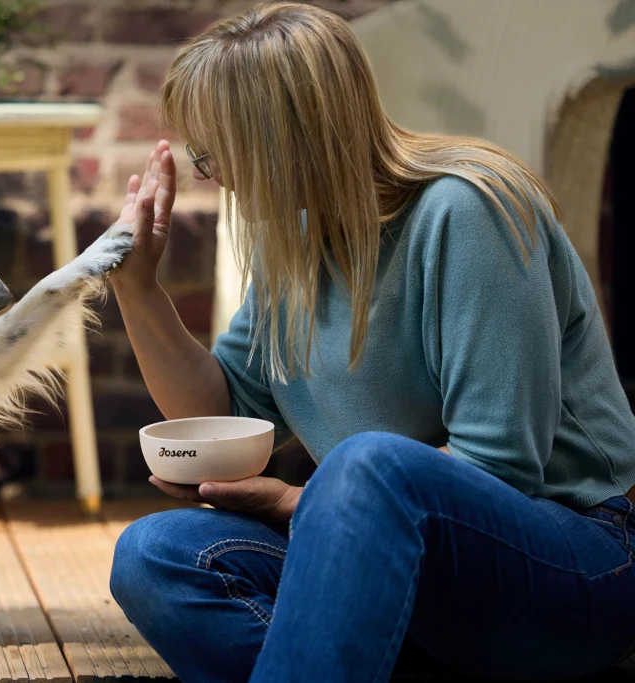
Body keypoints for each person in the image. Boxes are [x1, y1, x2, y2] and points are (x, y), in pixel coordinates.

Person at [106, 3, 635, 682]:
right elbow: (217, 401)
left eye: (216, 152)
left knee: (367, 466)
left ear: (284, 136)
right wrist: (137, 288)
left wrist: (298, 501)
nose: (218, 176)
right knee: (158, 552)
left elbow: (500, 467)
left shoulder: (470, 211)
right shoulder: (290, 240)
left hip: (574, 559)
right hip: (399, 570)